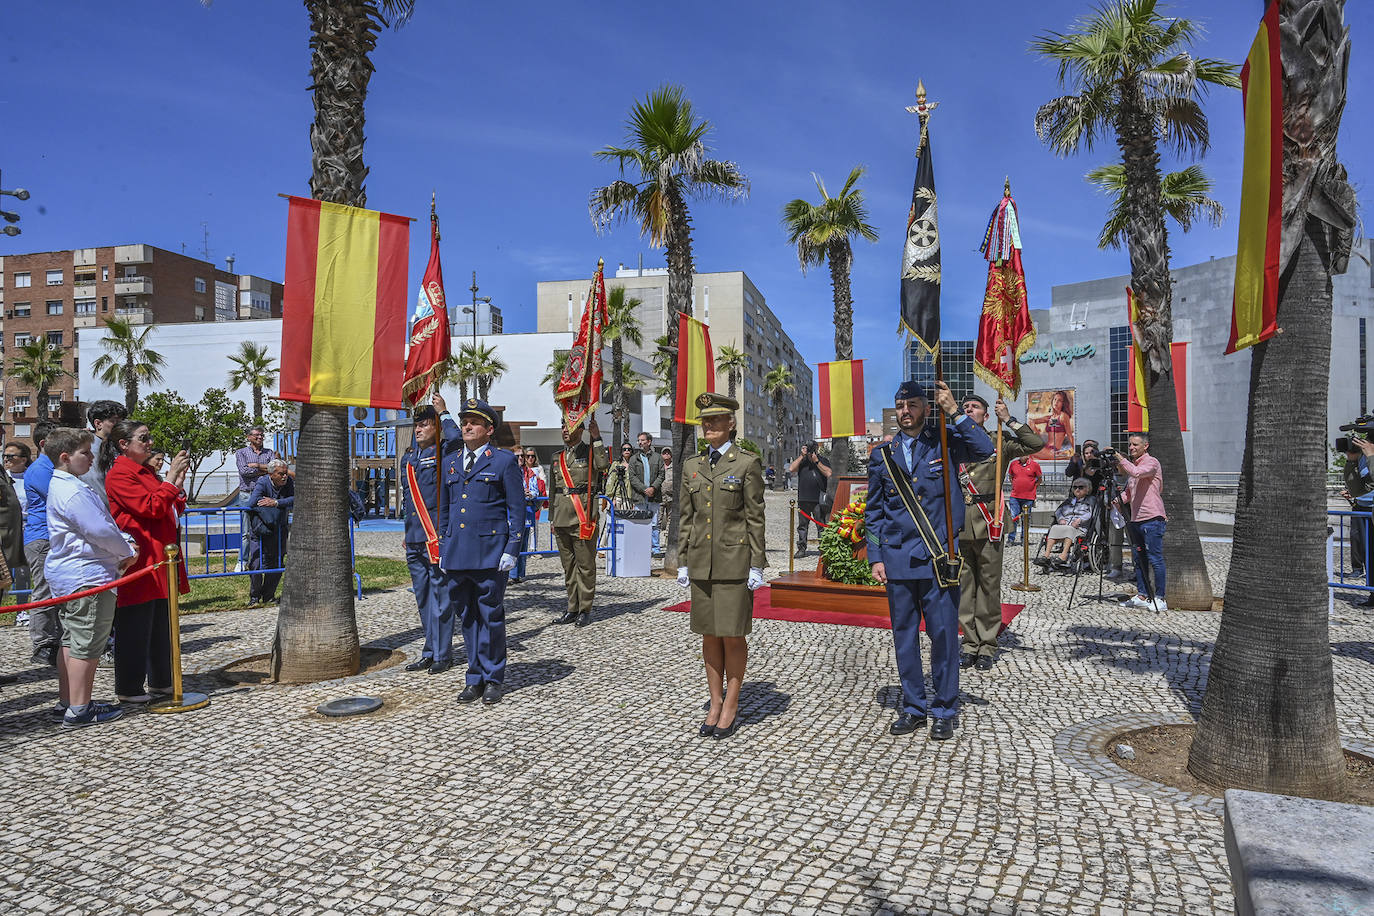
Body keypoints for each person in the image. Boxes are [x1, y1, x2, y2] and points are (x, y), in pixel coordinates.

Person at [866, 381, 994, 741]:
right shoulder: (882, 455)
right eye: (900, 405)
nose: (905, 411)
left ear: (925, 407)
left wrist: (954, 410)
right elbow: (874, 511)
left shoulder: (945, 440)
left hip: (939, 556)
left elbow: (985, 450)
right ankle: (913, 706)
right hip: (897, 558)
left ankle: (944, 708)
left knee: (943, 636)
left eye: (912, 405)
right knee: (904, 637)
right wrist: (876, 556)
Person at [677, 392, 766, 740]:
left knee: (733, 634)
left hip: (734, 562)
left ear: (731, 424)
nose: (709, 425)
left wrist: (757, 564)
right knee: (709, 635)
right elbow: (687, 517)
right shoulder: (691, 467)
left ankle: (731, 702)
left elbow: (755, 518)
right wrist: (683, 559)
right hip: (701, 562)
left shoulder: (747, 463)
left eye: (716, 420)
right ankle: (714, 702)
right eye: (705, 421)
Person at [44, 428, 138, 727]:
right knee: (87, 641)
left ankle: (69, 700)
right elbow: (97, 530)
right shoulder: (71, 490)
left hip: (74, 572)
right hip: (87, 573)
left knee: (72, 639)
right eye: (84, 452)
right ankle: (80, 708)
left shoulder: (67, 485)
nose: (91, 457)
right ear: (65, 457)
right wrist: (126, 550)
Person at [439, 398, 524, 703]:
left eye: (473, 422)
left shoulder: (502, 461)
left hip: (490, 553)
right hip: (458, 554)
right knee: (468, 619)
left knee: (491, 616)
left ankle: (493, 677)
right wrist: (443, 548)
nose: (467, 426)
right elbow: (446, 512)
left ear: (489, 429)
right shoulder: (450, 462)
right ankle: (473, 677)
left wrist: (512, 548)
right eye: (464, 422)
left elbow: (517, 508)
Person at [103, 419, 191, 703]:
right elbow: (150, 506)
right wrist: (169, 481)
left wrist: (175, 484)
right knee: (135, 626)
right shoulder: (120, 474)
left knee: (161, 624)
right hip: (141, 560)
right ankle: (129, 687)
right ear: (124, 444)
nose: (150, 442)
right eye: (144, 438)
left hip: (161, 556)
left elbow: (168, 504)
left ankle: (162, 680)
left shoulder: (146, 472)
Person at [957, 395, 1044, 671]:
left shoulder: (999, 441)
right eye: (965, 407)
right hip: (959, 520)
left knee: (989, 585)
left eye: (975, 407)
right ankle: (969, 643)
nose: (968, 409)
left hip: (988, 518)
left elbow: (1036, 444)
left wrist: (1009, 418)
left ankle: (987, 645)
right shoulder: (954, 441)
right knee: (964, 586)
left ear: (986, 415)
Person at [399, 397, 461, 673]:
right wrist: (406, 529)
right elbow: (407, 499)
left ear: (436, 428)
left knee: (441, 596)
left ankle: (443, 654)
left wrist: (443, 413)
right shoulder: (409, 458)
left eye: (426, 424)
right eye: (417, 424)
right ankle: (429, 649)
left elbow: (458, 438)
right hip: (414, 536)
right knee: (423, 597)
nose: (419, 429)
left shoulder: (444, 451)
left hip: (435, 535)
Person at [549, 416, 609, 627]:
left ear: (581, 429)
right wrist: (551, 518)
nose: (565, 430)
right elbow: (552, 491)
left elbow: (603, 466)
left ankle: (585, 609)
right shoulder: (557, 457)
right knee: (569, 567)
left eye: (569, 426)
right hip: (561, 517)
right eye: (562, 426)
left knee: (585, 566)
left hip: (583, 516)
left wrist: (597, 437)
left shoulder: (590, 451)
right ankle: (571, 608)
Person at [23, 421, 60, 665]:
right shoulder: (40, 470)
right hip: (41, 538)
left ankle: (53, 639)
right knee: (44, 591)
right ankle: (42, 643)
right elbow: (58, 496)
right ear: (44, 444)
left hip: (52, 536)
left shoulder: (53, 467)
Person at [1116, 432, 1167, 611]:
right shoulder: (1134, 467)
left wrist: (1119, 458)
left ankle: (1160, 598)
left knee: (1155, 558)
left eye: (1135, 445)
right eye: (1130, 445)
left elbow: (1137, 473)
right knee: (1139, 558)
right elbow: (1129, 494)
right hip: (1136, 519)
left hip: (1153, 518)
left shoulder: (1151, 463)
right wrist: (1116, 500)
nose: (1131, 448)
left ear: (1145, 446)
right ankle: (1142, 594)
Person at [246, 459, 294, 606]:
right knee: (255, 564)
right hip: (260, 531)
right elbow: (252, 502)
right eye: (281, 474)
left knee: (277, 564)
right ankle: (254, 598)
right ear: (271, 474)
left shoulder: (289, 482)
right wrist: (272, 507)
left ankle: (269, 595)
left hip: (279, 530)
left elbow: (295, 498)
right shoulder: (262, 482)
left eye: (285, 473)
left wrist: (277, 503)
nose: (284, 477)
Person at [234, 427, 275, 571]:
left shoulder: (269, 453)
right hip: (247, 494)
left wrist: (257, 465)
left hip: (265, 494)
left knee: (265, 527)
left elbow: (274, 469)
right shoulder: (241, 453)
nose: (260, 437)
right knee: (246, 530)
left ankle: (264, 559)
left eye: (262, 435)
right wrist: (264, 470)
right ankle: (242, 561)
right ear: (249, 437)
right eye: (257, 435)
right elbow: (244, 471)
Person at [78, 400, 128, 507]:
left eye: (122, 421)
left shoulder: (119, 447)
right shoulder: (89, 449)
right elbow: (95, 484)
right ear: (98, 424)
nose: (120, 426)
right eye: (114, 421)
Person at [1037, 478, 1096, 568]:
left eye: (1080, 487)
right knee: (1054, 527)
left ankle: (1064, 555)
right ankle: (1046, 556)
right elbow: (1058, 511)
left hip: (1079, 528)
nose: (1077, 489)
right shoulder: (1069, 501)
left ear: (1087, 490)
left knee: (1069, 529)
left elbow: (1091, 514)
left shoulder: (1090, 501)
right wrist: (1060, 519)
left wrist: (1079, 520)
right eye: (1075, 487)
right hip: (1065, 525)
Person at [511, 444, 547, 583]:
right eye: (518, 456)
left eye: (523, 456)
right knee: (514, 541)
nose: (521, 458)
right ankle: (511, 574)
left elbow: (535, 491)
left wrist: (529, 494)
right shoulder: (509, 471)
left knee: (525, 541)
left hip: (527, 509)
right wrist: (521, 493)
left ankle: (520, 573)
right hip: (513, 511)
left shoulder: (530, 473)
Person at [790, 442, 832, 557]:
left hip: (818, 500)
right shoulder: (802, 461)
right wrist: (802, 456)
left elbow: (828, 473)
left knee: (821, 525)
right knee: (802, 526)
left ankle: (823, 549)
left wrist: (816, 461)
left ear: (817, 449)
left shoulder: (822, 460)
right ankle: (801, 548)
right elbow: (791, 468)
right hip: (803, 498)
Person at [630, 432, 666, 556]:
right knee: (639, 522)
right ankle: (641, 547)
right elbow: (632, 477)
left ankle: (655, 548)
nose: (640, 442)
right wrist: (644, 489)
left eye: (642, 440)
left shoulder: (657, 457)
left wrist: (653, 488)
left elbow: (661, 474)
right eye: (638, 440)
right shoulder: (634, 458)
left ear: (649, 442)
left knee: (654, 523)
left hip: (653, 496)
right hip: (639, 496)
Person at [1004, 454, 1042, 545]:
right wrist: (1015, 485)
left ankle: (1024, 539)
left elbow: (1039, 479)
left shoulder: (1034, 465)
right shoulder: (1013, 464)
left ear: (1027, 455)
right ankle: (1011, 539)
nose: (1021, 456)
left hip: (1028, 497)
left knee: (1025, 519)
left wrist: (1033, 487)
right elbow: (1011, 476)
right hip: (1015, 496)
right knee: (1014, 517)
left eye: (1023, 454)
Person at [1032, 389, 1075, 459]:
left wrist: (1076, 451)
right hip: (1045, 447)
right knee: (1030, 422)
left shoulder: (1063, 416)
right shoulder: (1049, 417)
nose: (1056, 402)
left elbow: (1070, 436)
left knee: (1029, 452)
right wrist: (1037, 432)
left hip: (1053, 450)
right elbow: (1031, 421)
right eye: (1055, 399)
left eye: (1059, 400)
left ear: (1063, 403)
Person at [606, 443, 637, 511]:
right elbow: (610, 482)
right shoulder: (616, 464)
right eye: (624, 449)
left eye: (629, 449)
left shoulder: (635, 465)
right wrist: (611, 498)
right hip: (616, 497)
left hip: (629, 498)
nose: (627, 451)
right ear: (621, 451)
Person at [659, 446, 674, 536]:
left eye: (668, 452)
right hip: (659, 497)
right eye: (664, 453)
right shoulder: (659, 465)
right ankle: (656, 542)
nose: (666, 454)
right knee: (658, 519)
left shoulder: (675, 466)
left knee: (671, 519)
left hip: (671, 497)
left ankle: (668, 539)